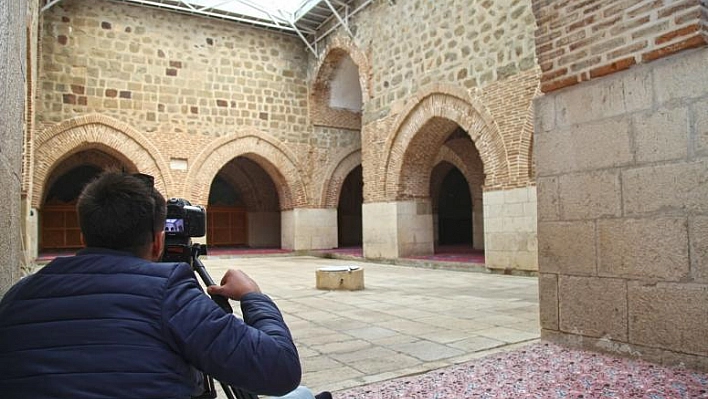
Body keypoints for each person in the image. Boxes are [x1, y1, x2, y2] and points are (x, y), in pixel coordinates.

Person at [0, 171, 331, 399]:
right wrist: (253, 298)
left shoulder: (17, 295)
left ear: (83, 237)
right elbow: (280, 369)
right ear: (158, 242)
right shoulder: (167, 292)